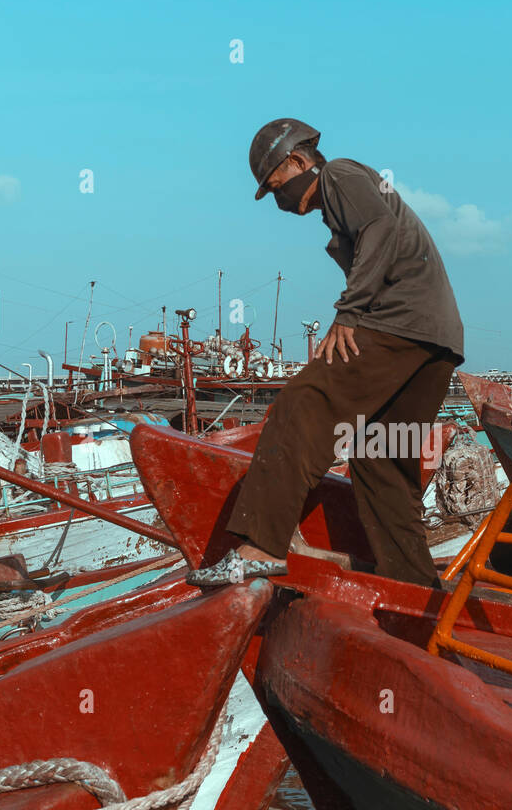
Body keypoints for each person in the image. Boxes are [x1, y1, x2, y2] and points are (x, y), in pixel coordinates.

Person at [189, 118, 464, 589]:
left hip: (399, 323)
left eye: (276, 188)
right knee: (380, 459)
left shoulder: (338, 174)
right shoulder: (344, 200)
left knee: (303, 403)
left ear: (299, 161)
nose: (278, 202)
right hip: (436, 340)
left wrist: (349, 312)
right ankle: (416, 594)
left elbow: (378, 227)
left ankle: (260, 548)